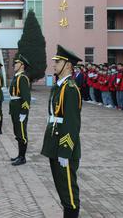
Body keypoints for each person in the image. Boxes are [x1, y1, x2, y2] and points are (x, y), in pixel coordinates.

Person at [41, 45, 82, 218]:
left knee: (68, 192)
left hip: (63, 147)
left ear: (68, 65)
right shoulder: (59, 86)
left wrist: (65, 150)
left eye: (58, 61)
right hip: (54, 143)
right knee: (61, 187)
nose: (55, 64)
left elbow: (72, 123)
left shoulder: (70, 89)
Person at [8, 54, 31, 166]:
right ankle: (19, 155)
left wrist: (23, 112)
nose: (14, 65)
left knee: (22, 133)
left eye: (16, 63)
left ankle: (22, 157)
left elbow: (26, 98)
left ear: (22, 65)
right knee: (17, 132)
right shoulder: (17, 77)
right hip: (14, 108)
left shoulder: (22, 78)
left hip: (20, 109)